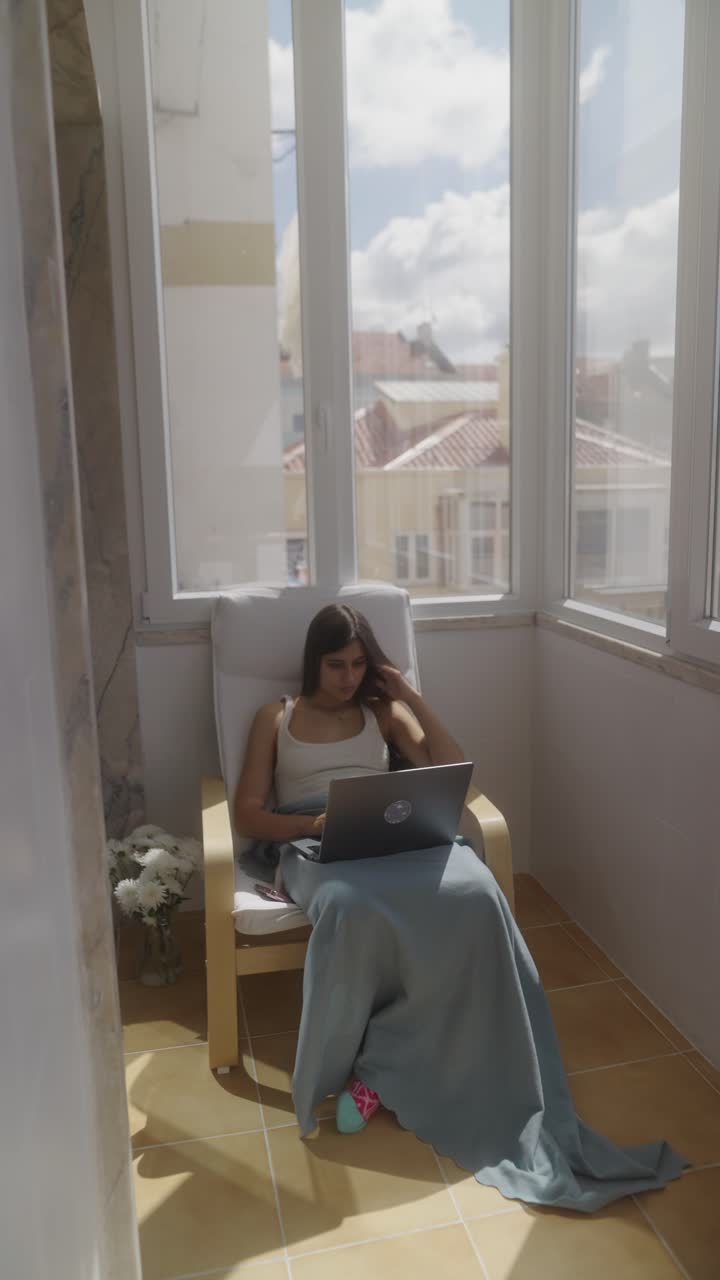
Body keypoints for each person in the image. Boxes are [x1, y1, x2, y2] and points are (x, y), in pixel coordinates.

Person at [234, 603, 688, 1212]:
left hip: (393, 831)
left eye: (358, 664)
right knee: (350, 908)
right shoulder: (276, 717)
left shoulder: (383, 711)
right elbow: (248, 814)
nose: (347, 677)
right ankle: (358, 1067)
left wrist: (409, 696)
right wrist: (318, 820)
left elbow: (451, 768)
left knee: (476, 892)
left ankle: (394, 1063)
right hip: (315, 844)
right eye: (335, 664)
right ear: (313, 662)